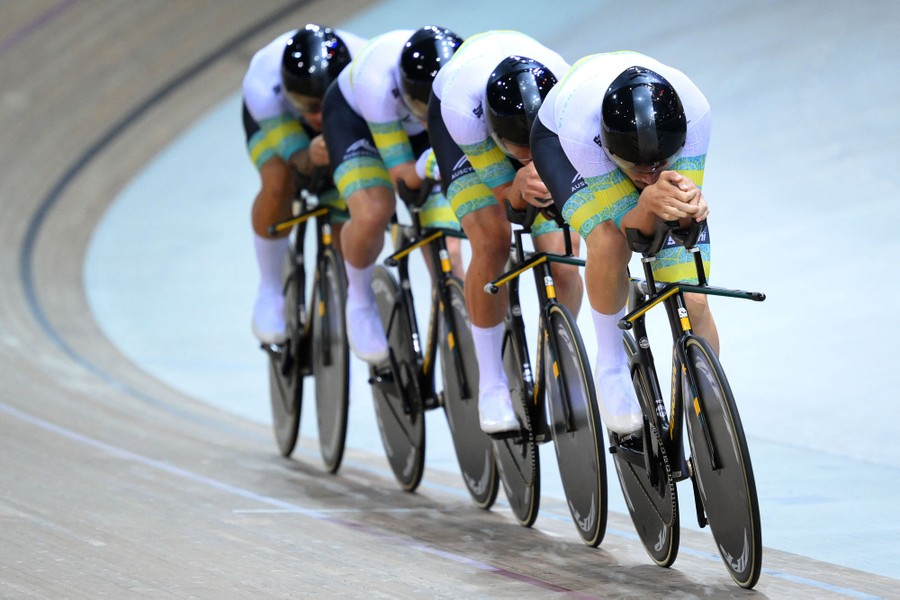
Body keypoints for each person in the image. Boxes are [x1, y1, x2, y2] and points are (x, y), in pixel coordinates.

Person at [530, 51, 717, 435]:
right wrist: (646, 202)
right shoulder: (582, 131)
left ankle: (710, 412)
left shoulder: (696, 115)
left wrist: (688, 209)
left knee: (692, 297)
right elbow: (632, 231)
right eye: (637, 169)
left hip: (639, 140)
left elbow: (681, 224)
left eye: (659, 166)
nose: (649, 176)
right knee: (609, 241)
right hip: (561, 144)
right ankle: (611, 365)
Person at [427, 31, 583, 434]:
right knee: (493, 241)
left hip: (546, 127)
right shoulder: (463, 111)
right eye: (519, 150)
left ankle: (560, 359)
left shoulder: (569, 97)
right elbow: (505, 199)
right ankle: (492, 384)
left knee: (564, 258)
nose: (528, 159)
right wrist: (517, 185)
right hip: (464, 140)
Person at [321, 26, 463, 364]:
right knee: (374, 209)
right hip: (356, 123)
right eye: (420, 105)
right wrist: (430, 165)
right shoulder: (376, 83)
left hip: (419, 129)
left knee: (448, 242)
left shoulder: (464, 79)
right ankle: (359, 299)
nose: (426, 117)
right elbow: (403, 178)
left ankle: (459, 328)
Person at [242, 24, 365, 344]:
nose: (317, 117)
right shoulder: (261, 84)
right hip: (278, 121)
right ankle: (269, 288)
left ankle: (346, 291)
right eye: (307, 106)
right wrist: (307, 155)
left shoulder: (366, 67)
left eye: (322, 106)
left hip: (347, 110)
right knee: (279, 178)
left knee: (350, 196)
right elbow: (298, 158)